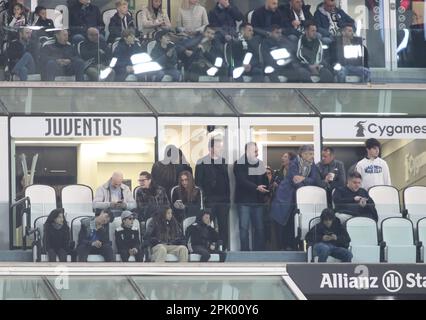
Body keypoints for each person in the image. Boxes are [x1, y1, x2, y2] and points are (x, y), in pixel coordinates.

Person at [271, 144, 320, 250]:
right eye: (310, 154)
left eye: (312, 154)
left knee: (295, 223)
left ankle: (292, 246)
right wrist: (306, 181)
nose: (312, 156)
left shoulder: (313, 165)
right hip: (285, 197)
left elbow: (315, 180)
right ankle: (282, 248)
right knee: (284, 223)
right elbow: (295, 181)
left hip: (299, 198)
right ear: (303, 154)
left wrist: (303, 178)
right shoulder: (294, 164)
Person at [195, 137, 230, 250]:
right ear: (211, 148)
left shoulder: (223, 161)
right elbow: (198, 183)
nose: (221, 148)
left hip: (223, 201)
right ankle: (209, 248)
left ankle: (223, 248)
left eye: (221, 146)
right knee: (208, 225)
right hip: (209, 200)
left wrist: (228, 199)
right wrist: (203, 198)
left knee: (224, 226)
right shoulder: (201, 162)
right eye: (218, 146)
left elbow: (226, 181)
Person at [234, 142, 269, 251]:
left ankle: (259, 253)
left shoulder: (260, 164)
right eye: (255, 151)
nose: (257, 153)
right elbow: (241, 180)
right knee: (244, 228)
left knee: (260, 228)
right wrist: (256, 187)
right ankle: (245, 253)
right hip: (244, 201)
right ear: (248, 151)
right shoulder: (239, 164)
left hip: (258, 201)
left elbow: (265, 180)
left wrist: (266, 189)